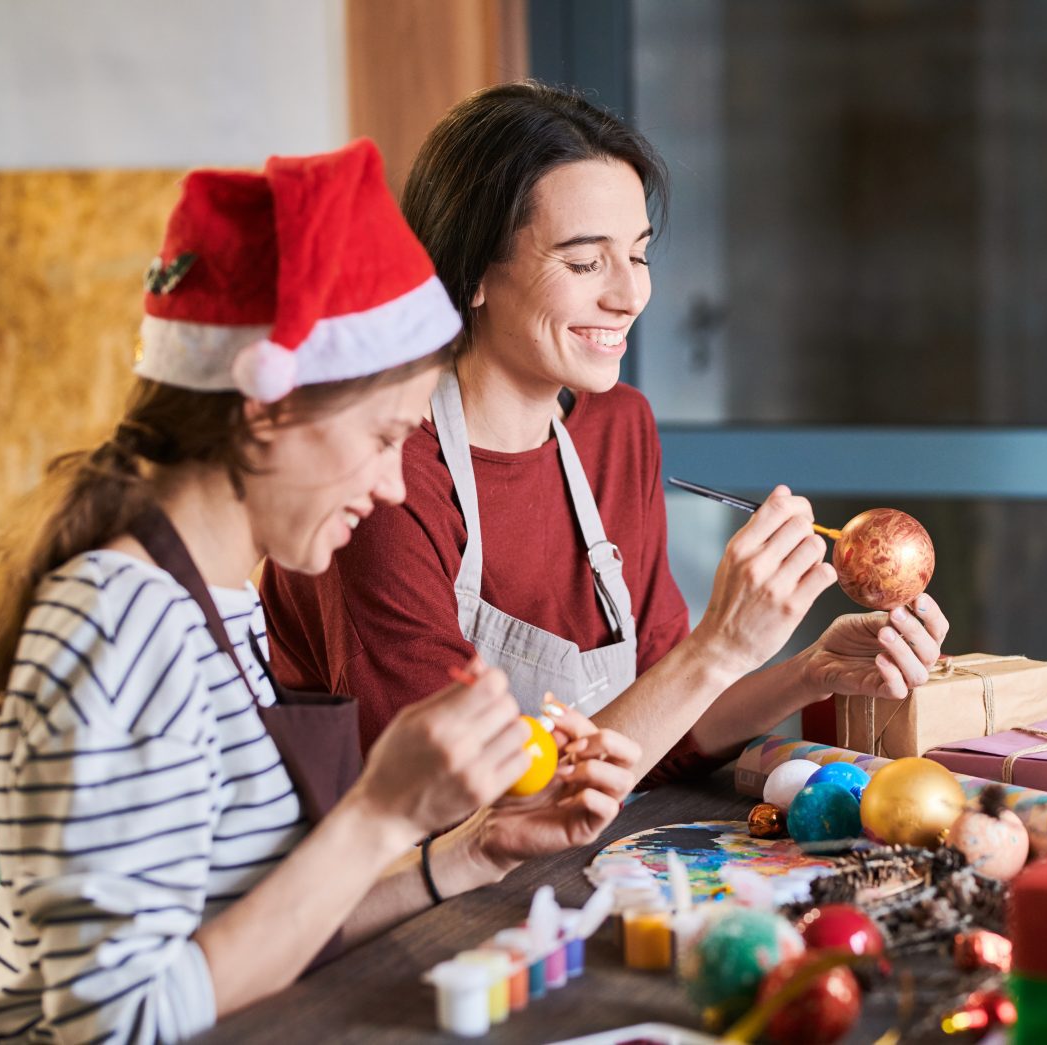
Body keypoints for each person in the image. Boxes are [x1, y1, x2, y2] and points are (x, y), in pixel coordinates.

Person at [0, 139, 638, 1044]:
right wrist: (380, 809)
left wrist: (472, 848)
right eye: (382, 437)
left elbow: (257, 929)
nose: (389, 483)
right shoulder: (121, 623)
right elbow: (114, 1026)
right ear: (267, 410)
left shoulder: (220, 599)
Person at [261, 82, 950, 786]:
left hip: (574, 862)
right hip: (418, 888)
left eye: (639, 254)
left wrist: (809, 672)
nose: (629, 295)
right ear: (471, 273)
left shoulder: (618, 427)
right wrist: (717, 645)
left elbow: (663, 724)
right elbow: (445, 797)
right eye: (586, 262)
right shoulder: (381, 473)